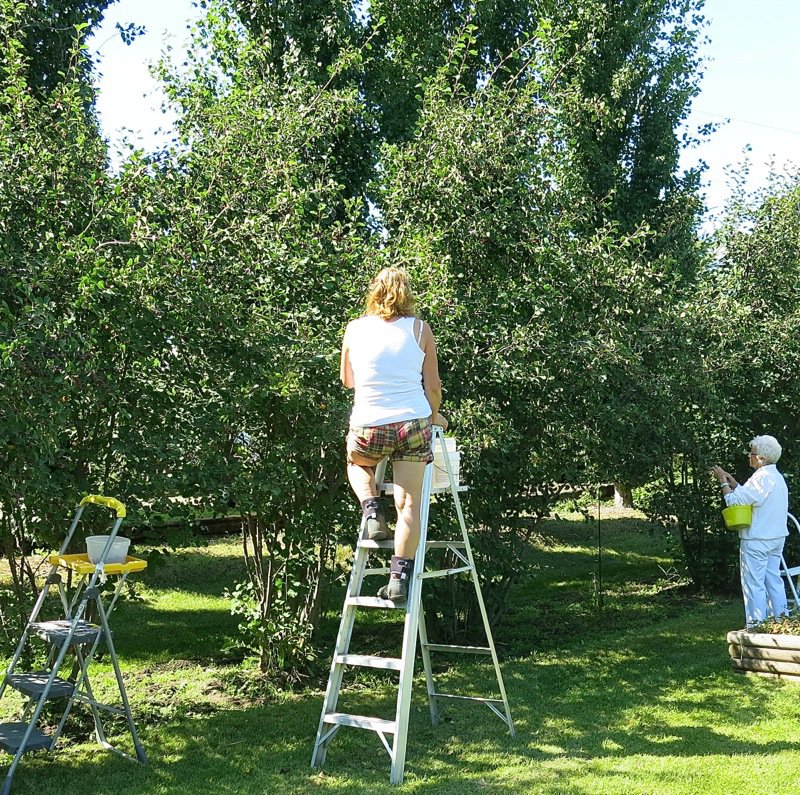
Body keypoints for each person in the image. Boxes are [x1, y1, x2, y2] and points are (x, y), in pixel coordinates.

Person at [340, 267, 445, 604]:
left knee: (356, 463)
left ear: (373, 293)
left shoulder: (354, 329)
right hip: (412, 423)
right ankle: (398, 578)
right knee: (410, 503)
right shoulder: (420, 329)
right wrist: (434, 414)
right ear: (407, 294)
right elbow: (432, 386)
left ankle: (371, 510)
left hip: (369, 423)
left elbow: (347, 380)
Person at [712, 435, 789, 627]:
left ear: (761, 458)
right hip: (776, 538)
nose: (749, 456)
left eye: (752, 453)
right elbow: (751, 496)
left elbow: (735, 502)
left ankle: (756, 627)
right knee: (773, 580)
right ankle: (782, 621)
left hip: (757, 539)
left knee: (754, 584)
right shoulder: (776, 477)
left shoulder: (761, 478)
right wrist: (735, 484)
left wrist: (723, 482)